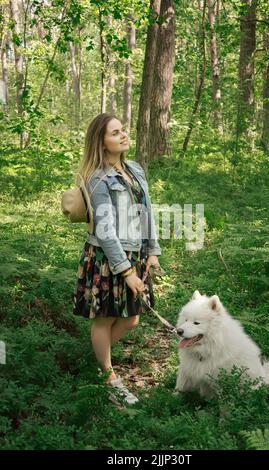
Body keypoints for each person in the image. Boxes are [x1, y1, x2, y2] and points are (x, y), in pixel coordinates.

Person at [72, 113, 162, 405]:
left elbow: (147, 213)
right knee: (106, 318)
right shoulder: (98, 178)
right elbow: (105, 230)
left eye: (123, 130)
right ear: (102, 142)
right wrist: (125, 271)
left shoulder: (134, 169)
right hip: (107, 256)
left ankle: (95, 356)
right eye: (115, 133)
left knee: (133, 318)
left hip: (134, 253)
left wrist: (152, 251)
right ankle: (109, 376)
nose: (123, 135)